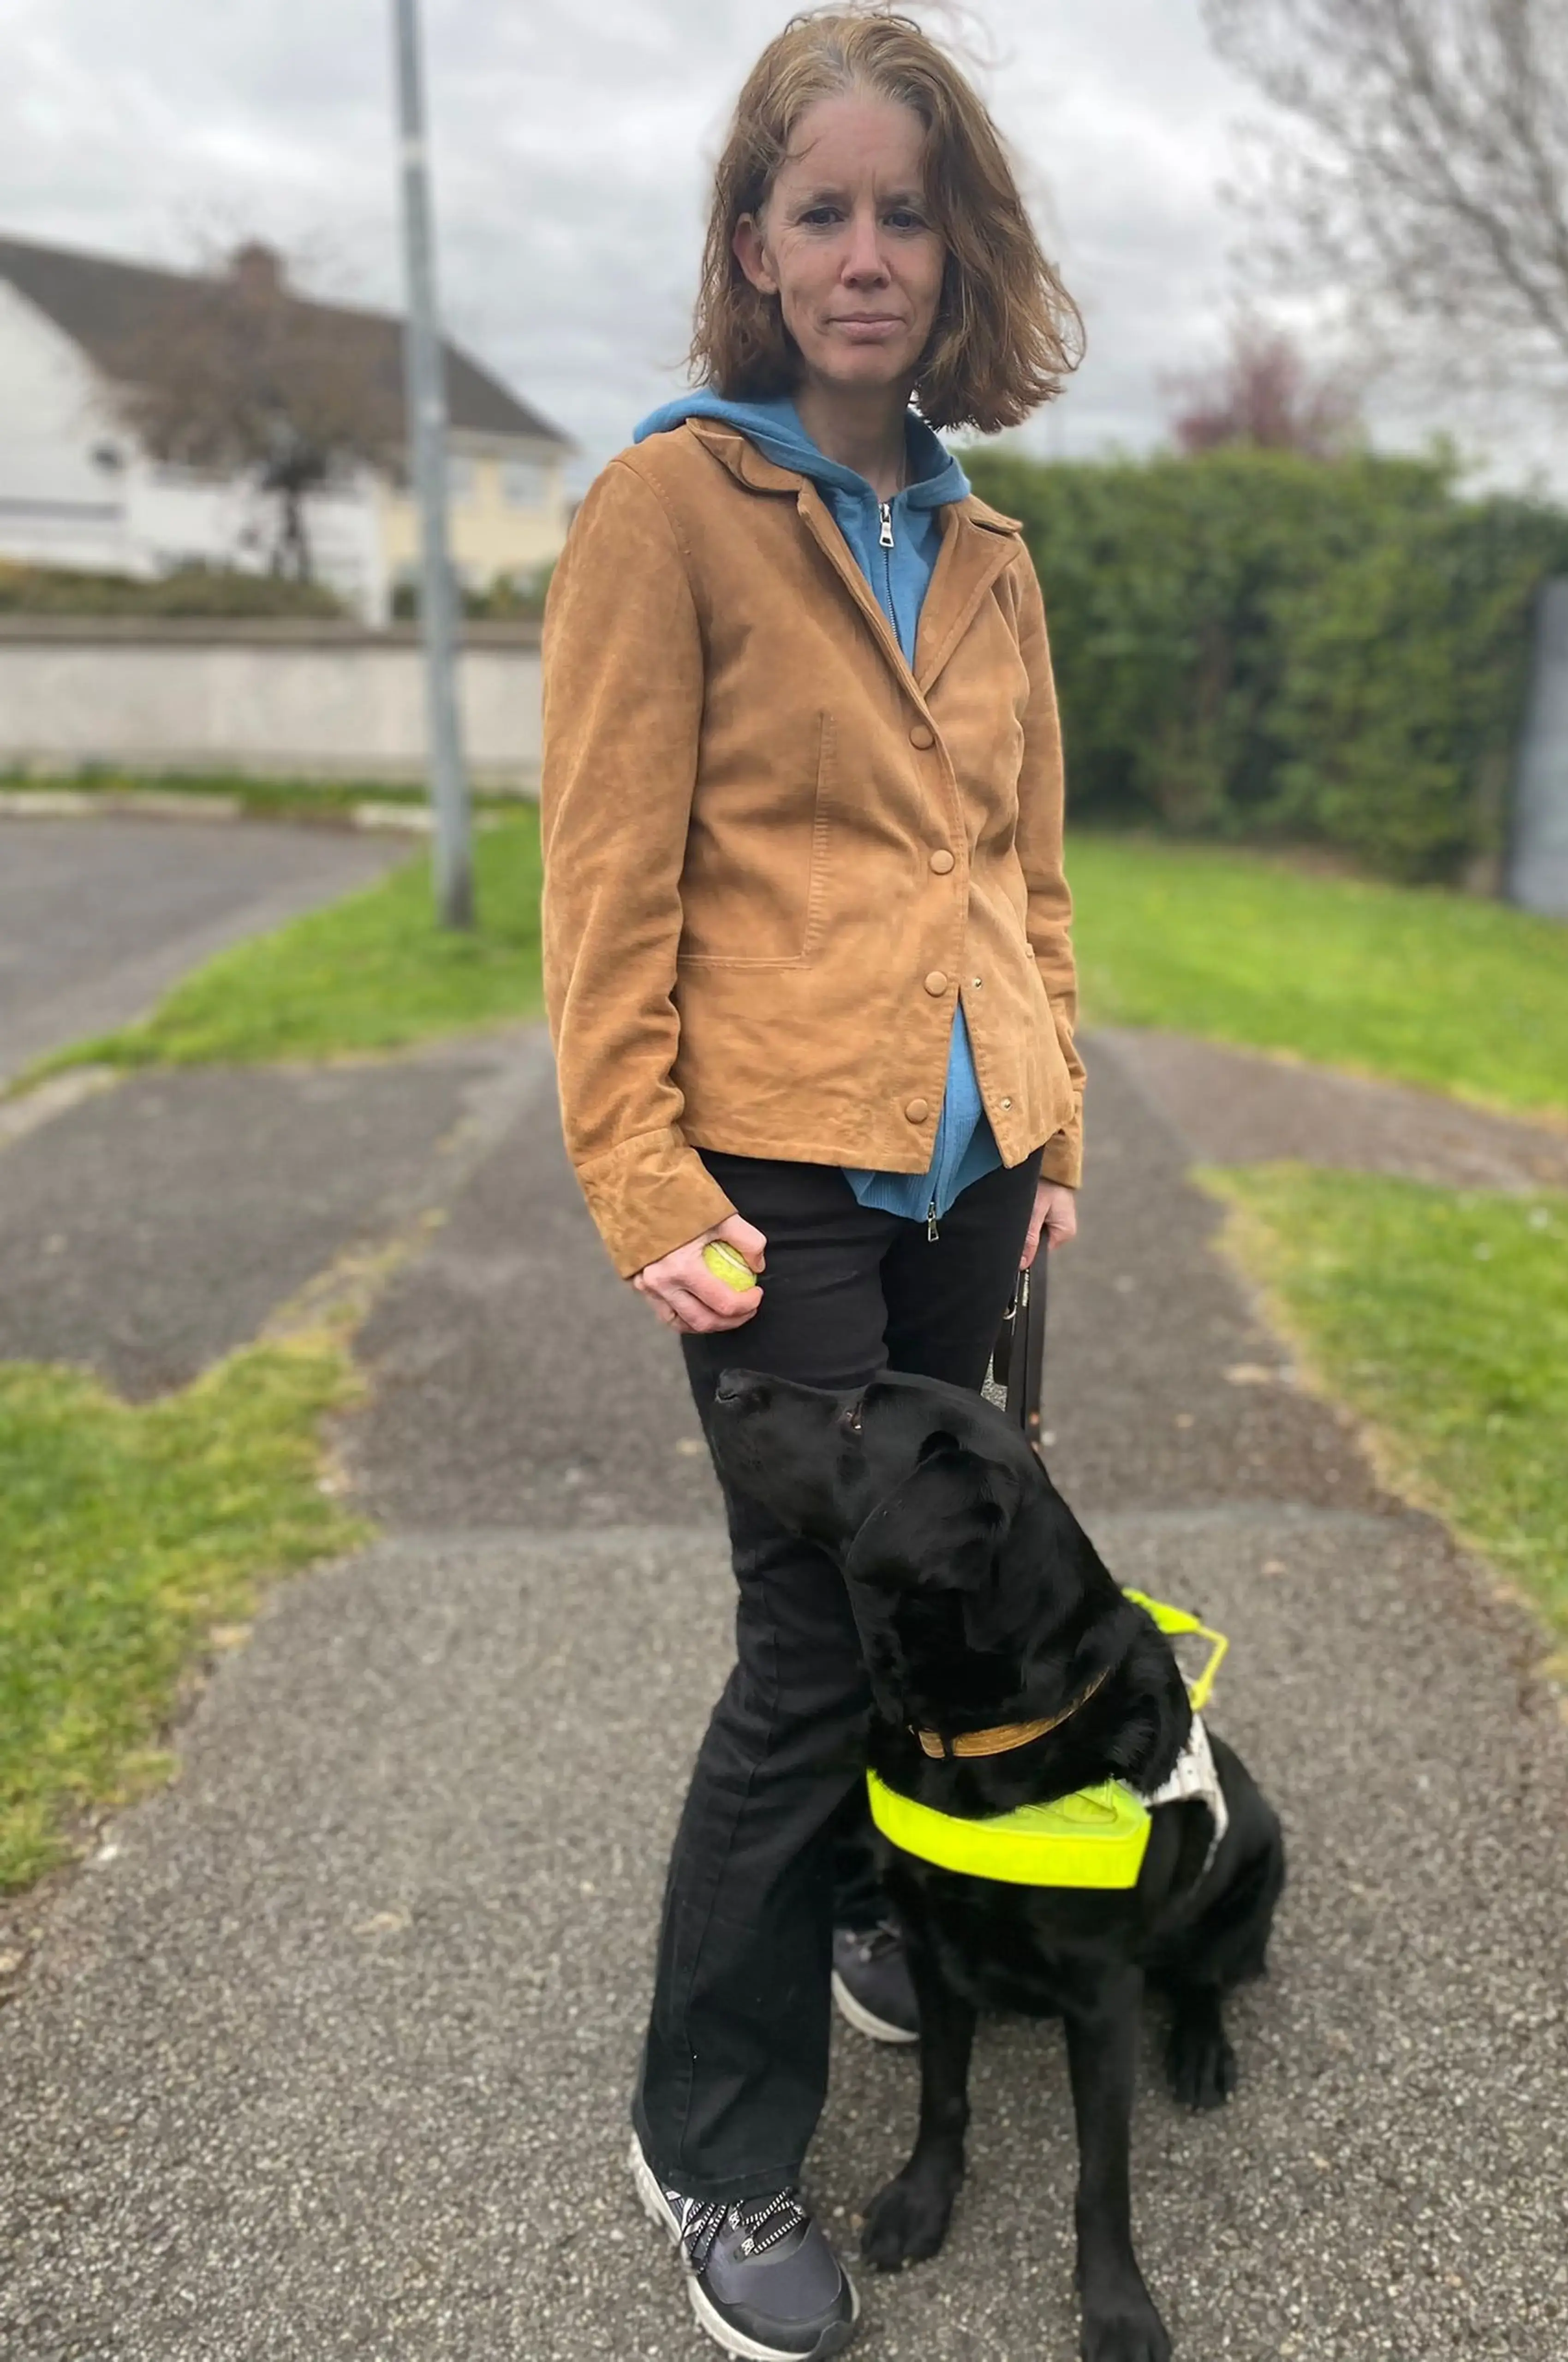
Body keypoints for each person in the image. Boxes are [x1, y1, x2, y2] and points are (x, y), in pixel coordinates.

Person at [539, 10, 1086, 2354]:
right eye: (823, 211)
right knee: (805, 1639)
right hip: (770, 1175)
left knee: (934, 1585)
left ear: (961, 243)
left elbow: (1024, 870)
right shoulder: (670, 505)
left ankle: (880, 1905)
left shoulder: (991, 543)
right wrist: (640, 1173)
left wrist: (1048, 1115)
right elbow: (606, 879)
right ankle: (710, 2131)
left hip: (968, 1167)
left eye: (907, 209)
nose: (868, 254)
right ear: (755, 247)